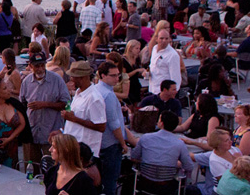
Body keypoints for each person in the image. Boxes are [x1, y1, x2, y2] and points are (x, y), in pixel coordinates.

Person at [18, 53, 69, 157]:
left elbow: (66, 104)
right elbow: (22, 105)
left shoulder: (57, 80)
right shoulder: (26, 82)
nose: (40, 69)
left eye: (42, 65)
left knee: (51, 166)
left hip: (51, 133)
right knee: (31, 166)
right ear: (30, 66)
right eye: (37, 66)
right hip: (32, 133)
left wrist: (45, 104)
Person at [130, 111, 193, 191]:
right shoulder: (179, 144)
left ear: (161, 123)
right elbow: (189, 166)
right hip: (167, 186)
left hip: (145, 184)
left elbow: (134, 156)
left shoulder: (145, 138)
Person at [95, 61, 127, 195]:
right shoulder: (108, 95)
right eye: (113, 76)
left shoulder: (96, 89)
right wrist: (123, 143)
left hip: (100, 143)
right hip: (111, 146)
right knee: (110, 183)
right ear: (102, 75)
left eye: (118, 75)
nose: (117, 79)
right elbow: (114, 124)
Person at [62, 61, 107, 157]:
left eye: (73, 77)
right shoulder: (78, 92)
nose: (71, 79)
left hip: (85, 153)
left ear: (82, 78)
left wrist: (74, 119)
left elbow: (101, 127)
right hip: (73, 148)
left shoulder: (94, 98)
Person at [148, 29, 181, 95]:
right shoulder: (154, 49)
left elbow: (176, 77)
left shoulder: (173, 55)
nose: (164, 41)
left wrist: (173, 93)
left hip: (164, 93)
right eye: (161, 38)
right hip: (152, 89)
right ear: (156, 39)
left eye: (166, 38)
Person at [121, 39, 145, 104]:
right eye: (136, 48)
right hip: (128, 85)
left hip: (136, 85)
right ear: (130, 48)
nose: (139, 50)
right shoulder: (124, 60)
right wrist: (136, 71)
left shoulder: (136, 59)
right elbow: (125, 75)